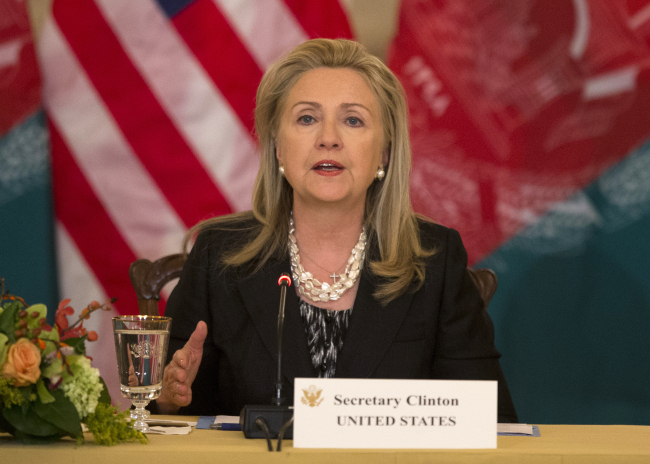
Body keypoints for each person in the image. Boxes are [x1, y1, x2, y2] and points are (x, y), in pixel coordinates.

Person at [155, 38, 518, 423]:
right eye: (307, 118)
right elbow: (167, 413)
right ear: (278, 148)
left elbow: (489, 422)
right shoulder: (220, 256)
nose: (328, 138)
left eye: (353, 120)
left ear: (383, 152)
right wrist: (166, 400)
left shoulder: (436, 261)